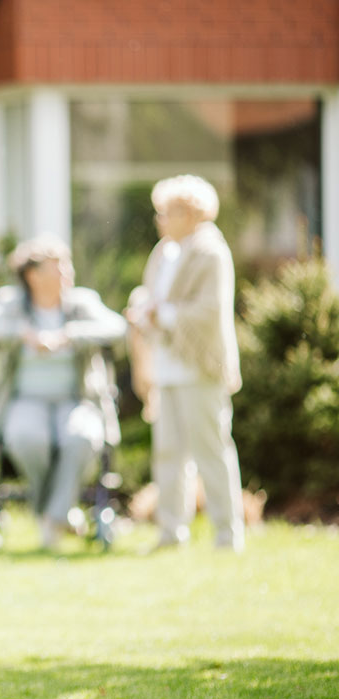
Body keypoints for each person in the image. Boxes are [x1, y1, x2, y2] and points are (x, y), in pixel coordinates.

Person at [0, 235, 127, 550]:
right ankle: (58, 514)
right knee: (26, 439)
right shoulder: (11, 303)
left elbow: (117, 328)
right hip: (25, 400)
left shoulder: (81, 303)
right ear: (33, 276)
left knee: (82, 437)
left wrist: (70, 336)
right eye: (58, 266)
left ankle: (51, 518)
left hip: (75, 399)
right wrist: (20, 334)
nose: (68, 272)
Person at [126, 174, 245, 552]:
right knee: (168, 452)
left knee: (211, 449)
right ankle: (170, 532)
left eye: (168, 212)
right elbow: (151, 295)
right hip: (166, 366)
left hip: (200, 366)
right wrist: (144, 312)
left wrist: (164, 315)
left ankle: (228, 535)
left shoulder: (212, 252)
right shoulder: (164, 252)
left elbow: (210, 310)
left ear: (191, 213)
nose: (160, 219)